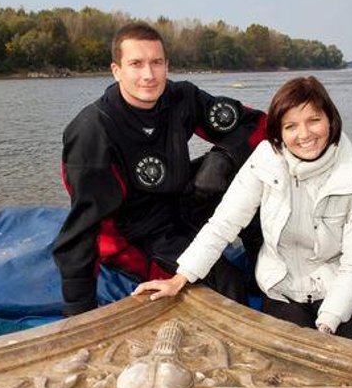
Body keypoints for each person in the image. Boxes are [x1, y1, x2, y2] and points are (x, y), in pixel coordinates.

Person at [132, 76, 352, 343]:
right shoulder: (265, 159)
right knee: (291, 366)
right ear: (279, 133)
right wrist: (180, 278)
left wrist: (328, 322)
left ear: (330, 119)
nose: (304, 134)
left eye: (314, 120)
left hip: (335, 284)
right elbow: (223, 224)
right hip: (280, 287)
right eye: (291, 126)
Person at [53, 22, 266, 317]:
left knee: (254, 175)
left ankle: (267, 276)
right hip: (139, 234)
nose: (148, 75)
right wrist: (79, 315)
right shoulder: (93, 132)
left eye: (156, 63)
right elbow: (82, 231)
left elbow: (259, 124)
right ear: (116, 70)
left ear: (167, 65)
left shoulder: (182, 98)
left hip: (180, 202)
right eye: (136, 64)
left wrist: (224, 156)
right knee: (226, 281)